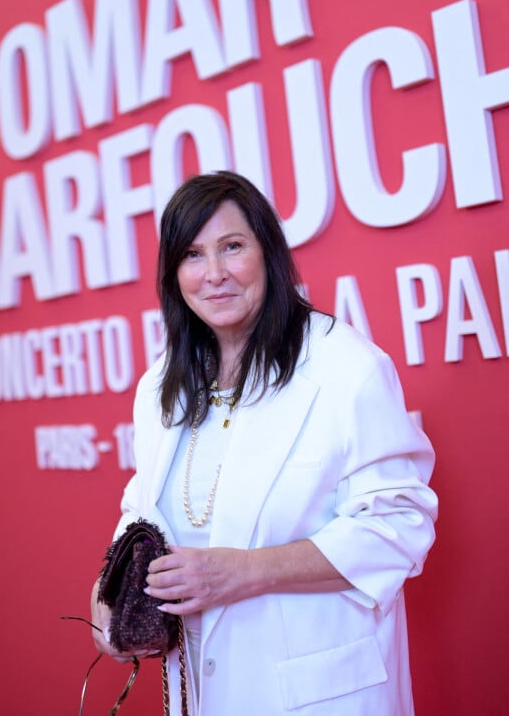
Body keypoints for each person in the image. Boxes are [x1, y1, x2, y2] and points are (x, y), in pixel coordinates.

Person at [90, 170, 438, 716]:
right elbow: (141, 511)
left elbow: (400, 526)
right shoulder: (160, 384)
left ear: (267, 253)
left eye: (232, 247)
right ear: (172, 274)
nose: (214, 274)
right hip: (201, 688)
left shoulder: (346, 367)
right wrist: (113, 595)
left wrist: (242, 571)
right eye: (192, 255)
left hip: (317, 691)